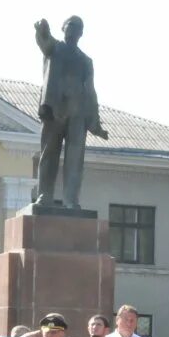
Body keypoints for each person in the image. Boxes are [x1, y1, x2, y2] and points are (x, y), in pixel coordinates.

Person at [33, 15, 109, 208]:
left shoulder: (86, 61)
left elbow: (91, 91)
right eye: (70, 26)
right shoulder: (55, 48)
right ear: (63, 28)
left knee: (75, 160)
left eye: (77, 28)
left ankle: (71, 200)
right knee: (49, 153)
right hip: (55, 110)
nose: (73, 30)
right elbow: (45, 42)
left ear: (81, 33)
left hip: (78, 114)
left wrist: (96, 124)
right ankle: (44, 196)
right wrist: (42, 31)